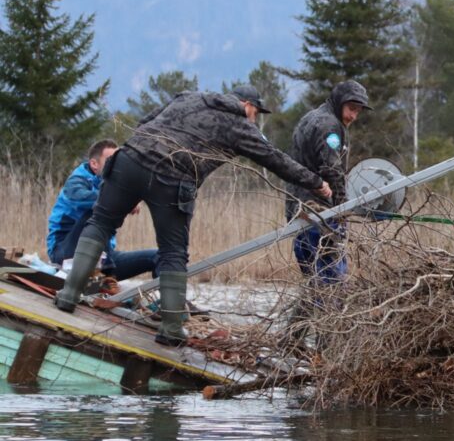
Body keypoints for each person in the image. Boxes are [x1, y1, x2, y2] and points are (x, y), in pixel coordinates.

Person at [53, 84, 332, 347]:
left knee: (100, 223)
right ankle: (172, 328)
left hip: (130, 159)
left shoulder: (190, 96)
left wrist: (139, 169)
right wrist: (316, 183)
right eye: (256, 113)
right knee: (173, 250)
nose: (255, 120)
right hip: (172, 178)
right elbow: (275, 159)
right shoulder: (238, 126)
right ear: (246, 106)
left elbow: (145, 123)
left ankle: (69, 294)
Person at [285, 80, 371, 284]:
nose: (353, 116)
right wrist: (342, 208)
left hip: (298, 208)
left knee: (312, 277)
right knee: (331, 276)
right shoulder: (330, 126)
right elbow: (332, 169)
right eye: (351, 109)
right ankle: (329, 313)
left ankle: (313, 314)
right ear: (340, 102)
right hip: (320, 211)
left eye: (358, 111)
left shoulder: (311, 117)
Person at [47, 140, 159, 281]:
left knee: (159, 257)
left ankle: (165, 301)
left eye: (118, 161)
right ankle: (103, 274)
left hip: (104, 257)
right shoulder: (77, 180)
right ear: (94, 164)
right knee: (96, 212)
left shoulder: (115, 183)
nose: (116, 166)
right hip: (66, 253)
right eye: (111, 161)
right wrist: (123, 200)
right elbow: (79, 197)